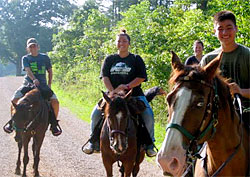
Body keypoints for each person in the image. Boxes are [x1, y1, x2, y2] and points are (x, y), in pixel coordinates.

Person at [82, 30, 157, 157]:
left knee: (148, 114)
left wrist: (127, 86)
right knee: (95, 114)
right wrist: (114, 91)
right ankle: (93, 142)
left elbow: (141, 77)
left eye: (124, 41)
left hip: (134, 95)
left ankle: (149, 145)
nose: (121, 43)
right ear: (116, 43)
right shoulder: (110, 59)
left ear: (129, 43)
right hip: (112, 96)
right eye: (119, 41)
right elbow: (105, 77)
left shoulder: (136, 59)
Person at [200, 10, 250, 127]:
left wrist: (241, 91)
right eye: (220, 28)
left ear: (236, 29)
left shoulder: (247, 55)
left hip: (247, 113)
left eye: (229, 27)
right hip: (216, 118)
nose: (225, 32)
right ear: (214, 31)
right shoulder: (208, 60)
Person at [3, 38, 62, 136]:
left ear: (38, 47)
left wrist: (49, 84)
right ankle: (12, 122)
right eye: (30, 46)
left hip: (42, 85)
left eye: (34, 46)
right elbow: (27, 70)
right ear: (28, 49)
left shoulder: (45, 58)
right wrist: (34, 79)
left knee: (55, 102)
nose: (33, 48)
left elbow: (50, 71)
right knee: (14, 99)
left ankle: (54, 124)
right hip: (28, 84)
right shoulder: (26, 58)